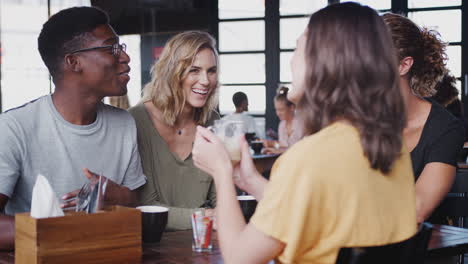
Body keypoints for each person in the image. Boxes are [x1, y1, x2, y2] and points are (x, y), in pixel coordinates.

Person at [192, 3, 417, 263]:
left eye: (298, 48)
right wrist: (251, 181)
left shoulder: (309, 158)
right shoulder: (391, 147)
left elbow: (239, 258)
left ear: (323, 62)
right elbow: (313, 211)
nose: (291, 58)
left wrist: (221, 173)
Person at [0, 7, 146, 250]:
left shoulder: (124, 124)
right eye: (112, 47)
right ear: (74, 62)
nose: (124, 57)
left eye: (121, 47)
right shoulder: (14, 128)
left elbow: (134, 202)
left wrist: (117, 196)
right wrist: (66, 231)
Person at [128, 31, 218, 230]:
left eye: (211, 70)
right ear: (172, 71)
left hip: (205, 243)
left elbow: (219, 200)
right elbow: (145, 207)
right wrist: (207, 216)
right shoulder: (135, 121)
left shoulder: (213, 122)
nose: (205, 80)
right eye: (194, 70)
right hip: (152, 247)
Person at [383, 13, 465, 224]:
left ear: (404, 65)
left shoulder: (445, 129)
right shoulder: (357, 120)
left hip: (417, 251)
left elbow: (415, 210)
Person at [262, 86, 302, 154]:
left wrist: (277, 148)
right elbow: (283, 146)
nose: (278, 113)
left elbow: (302, 149)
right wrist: (273, 146)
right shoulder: (282, 125)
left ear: (292, 108)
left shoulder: (302, 124)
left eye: (281, 110)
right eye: (276, 110)